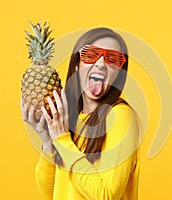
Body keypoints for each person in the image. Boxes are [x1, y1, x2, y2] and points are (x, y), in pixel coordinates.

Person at [22, 27, 141, 200]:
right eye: (91, 54)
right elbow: (51, 194)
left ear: (119, 73)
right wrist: (48, 141)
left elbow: (106, 196)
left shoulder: (120, 116)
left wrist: (62, 140)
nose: (100, 63)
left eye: (113, 59)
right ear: (77, 64)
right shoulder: (70, 121)